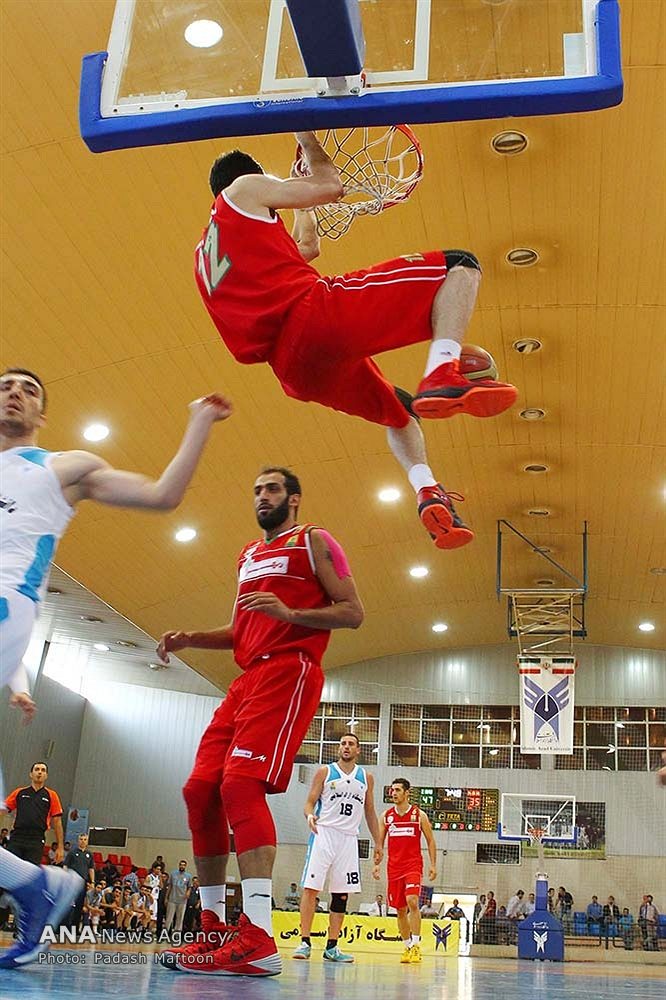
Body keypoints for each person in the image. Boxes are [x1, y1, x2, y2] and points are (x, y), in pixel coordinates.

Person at [0, 367, 231, 969]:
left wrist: (198, 423)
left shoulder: (61, 468)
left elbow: (162, 495)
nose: (14, 392)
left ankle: (35, 885)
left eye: (28, 389)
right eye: (5, 384)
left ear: (42, 415)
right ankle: (34, 885)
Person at [194, 134, 518, 552]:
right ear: (251, 177)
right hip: (314, 317)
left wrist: (303, 205)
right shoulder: (243, 189)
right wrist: (307, 138)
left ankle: (427, 490)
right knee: (460, 265)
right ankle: (443, 370)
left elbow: (307, 248)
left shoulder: (207, 253)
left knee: (401, 411)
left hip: (294, 370)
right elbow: (331, 185)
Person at [156, 466, 363, 977]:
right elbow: (242, 628)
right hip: (247, 679)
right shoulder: (247, 554)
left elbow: (352, 612)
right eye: (256, 490)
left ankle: (259, 937)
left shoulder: (315, 540)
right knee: (200, 789)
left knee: (240, 783)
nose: (261, 496)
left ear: (294, 498)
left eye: (271, 488)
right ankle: (211, 929)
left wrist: (291, 613)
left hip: (290, 670)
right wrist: (191, 638)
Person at [292, 732, 381, 963]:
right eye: (343, 743)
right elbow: (309, 802)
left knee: (341, 894)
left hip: (349, 839)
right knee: (311, 889)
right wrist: (309, 815)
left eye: (351, 744)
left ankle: (332, 947)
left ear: (358, 750)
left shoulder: (366, 777)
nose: (346, 747)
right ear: (339, 748)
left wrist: (379, 842)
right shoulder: (325, 771)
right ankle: (304, 942)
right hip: (324, 834)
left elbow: (370, 812)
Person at [372, 777, 437, 965]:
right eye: (392, 790)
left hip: (413, 865)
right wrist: (376, 864)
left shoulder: (419, 815)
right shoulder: (386, 817)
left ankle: (416, 946)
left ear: (407, 793)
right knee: (400, 910)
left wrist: (433, 864)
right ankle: (407, 946)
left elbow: (430, 841)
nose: (393, 793)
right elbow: (379, 844)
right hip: (393, 868)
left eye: (398, 790)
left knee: (412, 901)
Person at [4, 763, 64, 866]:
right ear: (31, 774)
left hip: (36, 840)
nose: (40, 772)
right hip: (17, 837)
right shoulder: (19, 792)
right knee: (10, 870)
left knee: (30, 873)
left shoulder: (52, 795)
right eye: (37, 769)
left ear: (46, 776)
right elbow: (3, 810)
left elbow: (57, 823)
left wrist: (60, 847)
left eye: (43, 770)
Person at [63, 833, 95, 931]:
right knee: (69, 904)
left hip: (83, 882)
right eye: (81, 839)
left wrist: (92, 881)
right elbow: (65, 866)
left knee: (79, 905)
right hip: (72, 882)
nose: (83, 841)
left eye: (85, 839)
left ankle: (75, 928)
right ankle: (65, 927)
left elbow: (91, 868)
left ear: (87, 841)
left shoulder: (89, 854)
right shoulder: (72, 853)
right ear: (78, 841)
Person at [165, 860, 193, 937]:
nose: (182, 866)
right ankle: (165, 933)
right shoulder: (173, 874)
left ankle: (177, 934)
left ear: (185, 866)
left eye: (183, 865)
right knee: (169, 918)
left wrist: (188, 893)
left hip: (182, 900)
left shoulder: (188, 876)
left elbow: (189, 887)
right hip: (172, 899)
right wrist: (166, 898)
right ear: (179, 865)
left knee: (180, 918)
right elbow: (170, 886)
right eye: (181, 865)